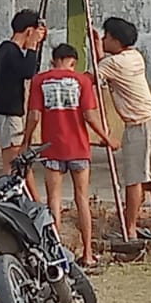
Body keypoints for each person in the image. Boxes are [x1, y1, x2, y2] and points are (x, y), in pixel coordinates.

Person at [24, 43, 117, 267]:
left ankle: (56, 252)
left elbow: (34, 116)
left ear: (54, 59)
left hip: (51, 148)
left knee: (54, 199)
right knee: (81, 199)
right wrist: (107, 138)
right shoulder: (83, 81)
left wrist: (25, 142)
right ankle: (87, 252)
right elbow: (90, 116)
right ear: (73, 62)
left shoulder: (39, 81)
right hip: (79, 148)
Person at [92, 16, 151, 241]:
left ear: (116, 41)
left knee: (134, 179)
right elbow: (105, 71)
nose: (104, 40)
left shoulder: (112, 63)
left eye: (106, 37)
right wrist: (99, 50)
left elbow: (92, 78)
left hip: (139, 125)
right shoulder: (135, 57)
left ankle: (131, 228)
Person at [0, 9, 46, 199]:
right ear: (29, 31)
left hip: (7, 114)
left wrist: (34, 48)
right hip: (8, 115)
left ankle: (30, 201)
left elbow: (30, 69)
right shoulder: (9, 50)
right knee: (15, 165)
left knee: (17, 164)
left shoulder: (7, 50)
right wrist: (32, 46)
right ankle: (19, 202)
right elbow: (27, 71)